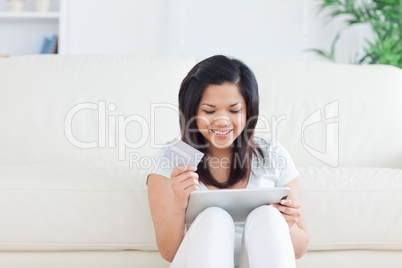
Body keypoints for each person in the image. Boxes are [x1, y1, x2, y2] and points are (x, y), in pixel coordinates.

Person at [146, 55, 309, 268]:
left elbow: (299, 249)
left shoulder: (272, 153)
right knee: (214, 217)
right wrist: (178, 205)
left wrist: (289, 225)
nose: (222, 120)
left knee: (268, 216)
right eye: (209, 111)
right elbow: (169, 253)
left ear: (249, 110)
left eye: (234, 110)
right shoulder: (174, 157)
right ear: (192, 111)